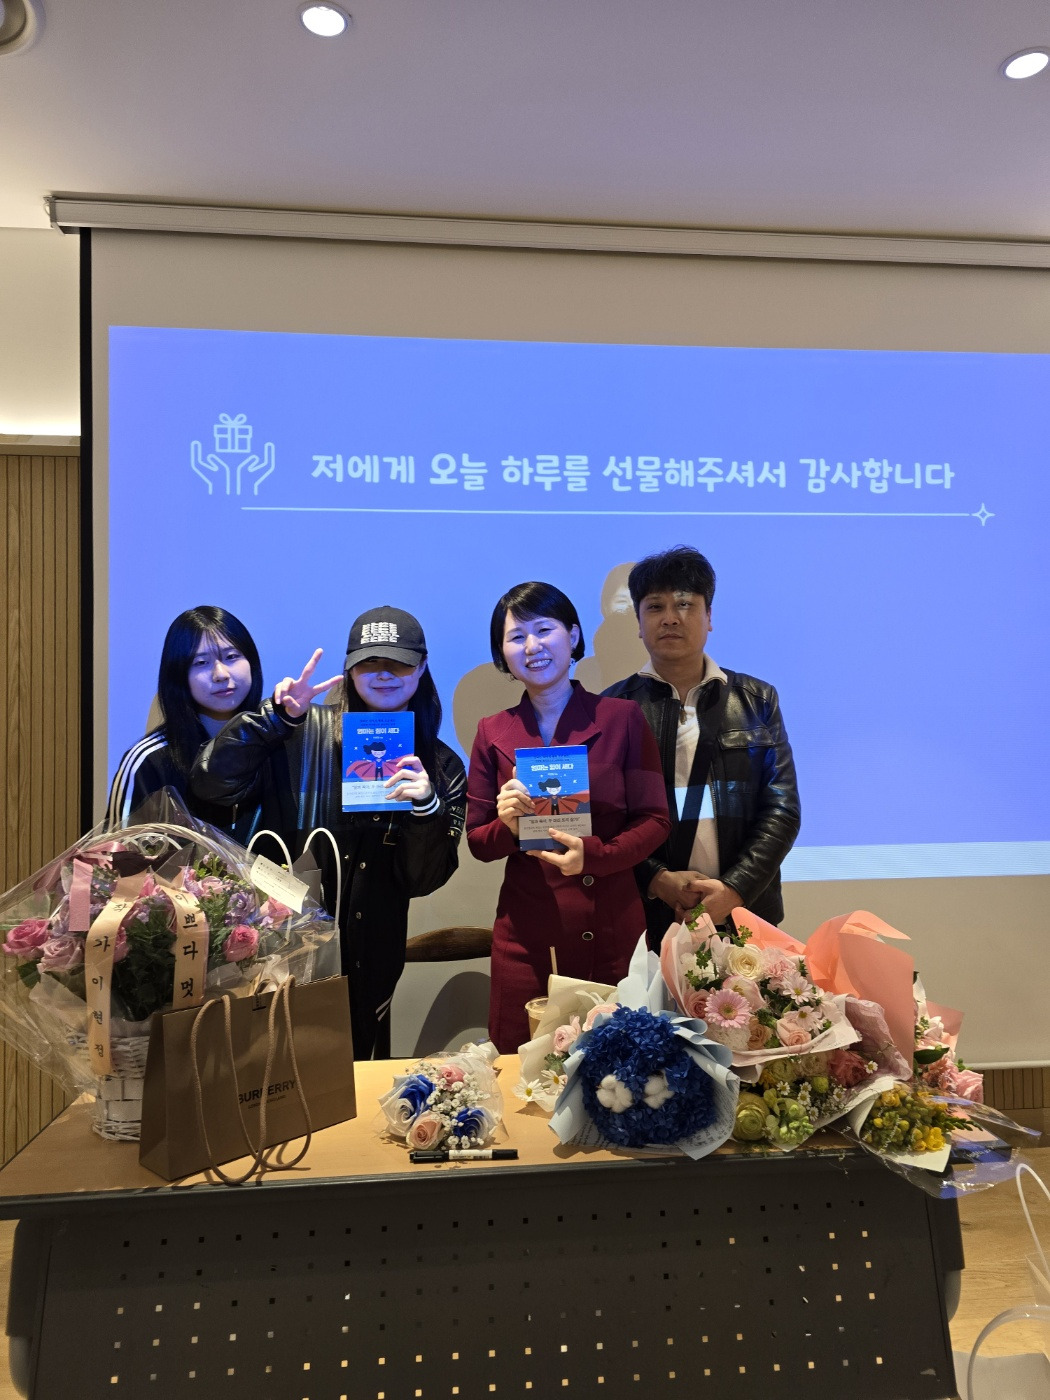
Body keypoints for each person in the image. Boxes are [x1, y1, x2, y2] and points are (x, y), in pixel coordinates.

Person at [192, 606, 466, 1059]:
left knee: (357, 1082)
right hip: (280, 955)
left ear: (421, 667)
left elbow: (423, 880)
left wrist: (425, 807)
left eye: (398, 662)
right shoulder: (301, 729)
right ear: (350, 669)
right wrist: (274, 719)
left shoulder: (441, 766)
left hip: (373, 965)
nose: (383, 674)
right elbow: (210, 784)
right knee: (275, 1076)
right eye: (369, 662)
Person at [466, 582, 670, 1053]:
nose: (532, 646)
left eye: (544, 630)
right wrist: (508, 827)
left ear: (573, 635)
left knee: (620, 1071)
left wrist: (594, 856)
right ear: (502, 653)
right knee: (523, 1071)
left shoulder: (622, 718)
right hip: (527, 938)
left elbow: (655, 819)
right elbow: (478, 841)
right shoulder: (491, 731)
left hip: (612, 927)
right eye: (516, 637)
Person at [603, 545, 800, 948]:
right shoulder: (612, 709)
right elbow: (606, 820)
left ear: (709, 617)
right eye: (655, 607)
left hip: (745, 913)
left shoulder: (756, 699)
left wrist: (734, 889)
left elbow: (781, 809)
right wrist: (657, 879)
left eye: (685, 604)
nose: (670, 618)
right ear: (639, 622)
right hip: (650, 916)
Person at [106, 605, 268, 838]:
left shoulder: (275, 745)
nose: (221, 674)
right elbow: (117, 852)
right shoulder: (148, 761)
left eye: (231, 657)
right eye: (201, 663)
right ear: (179, 675)